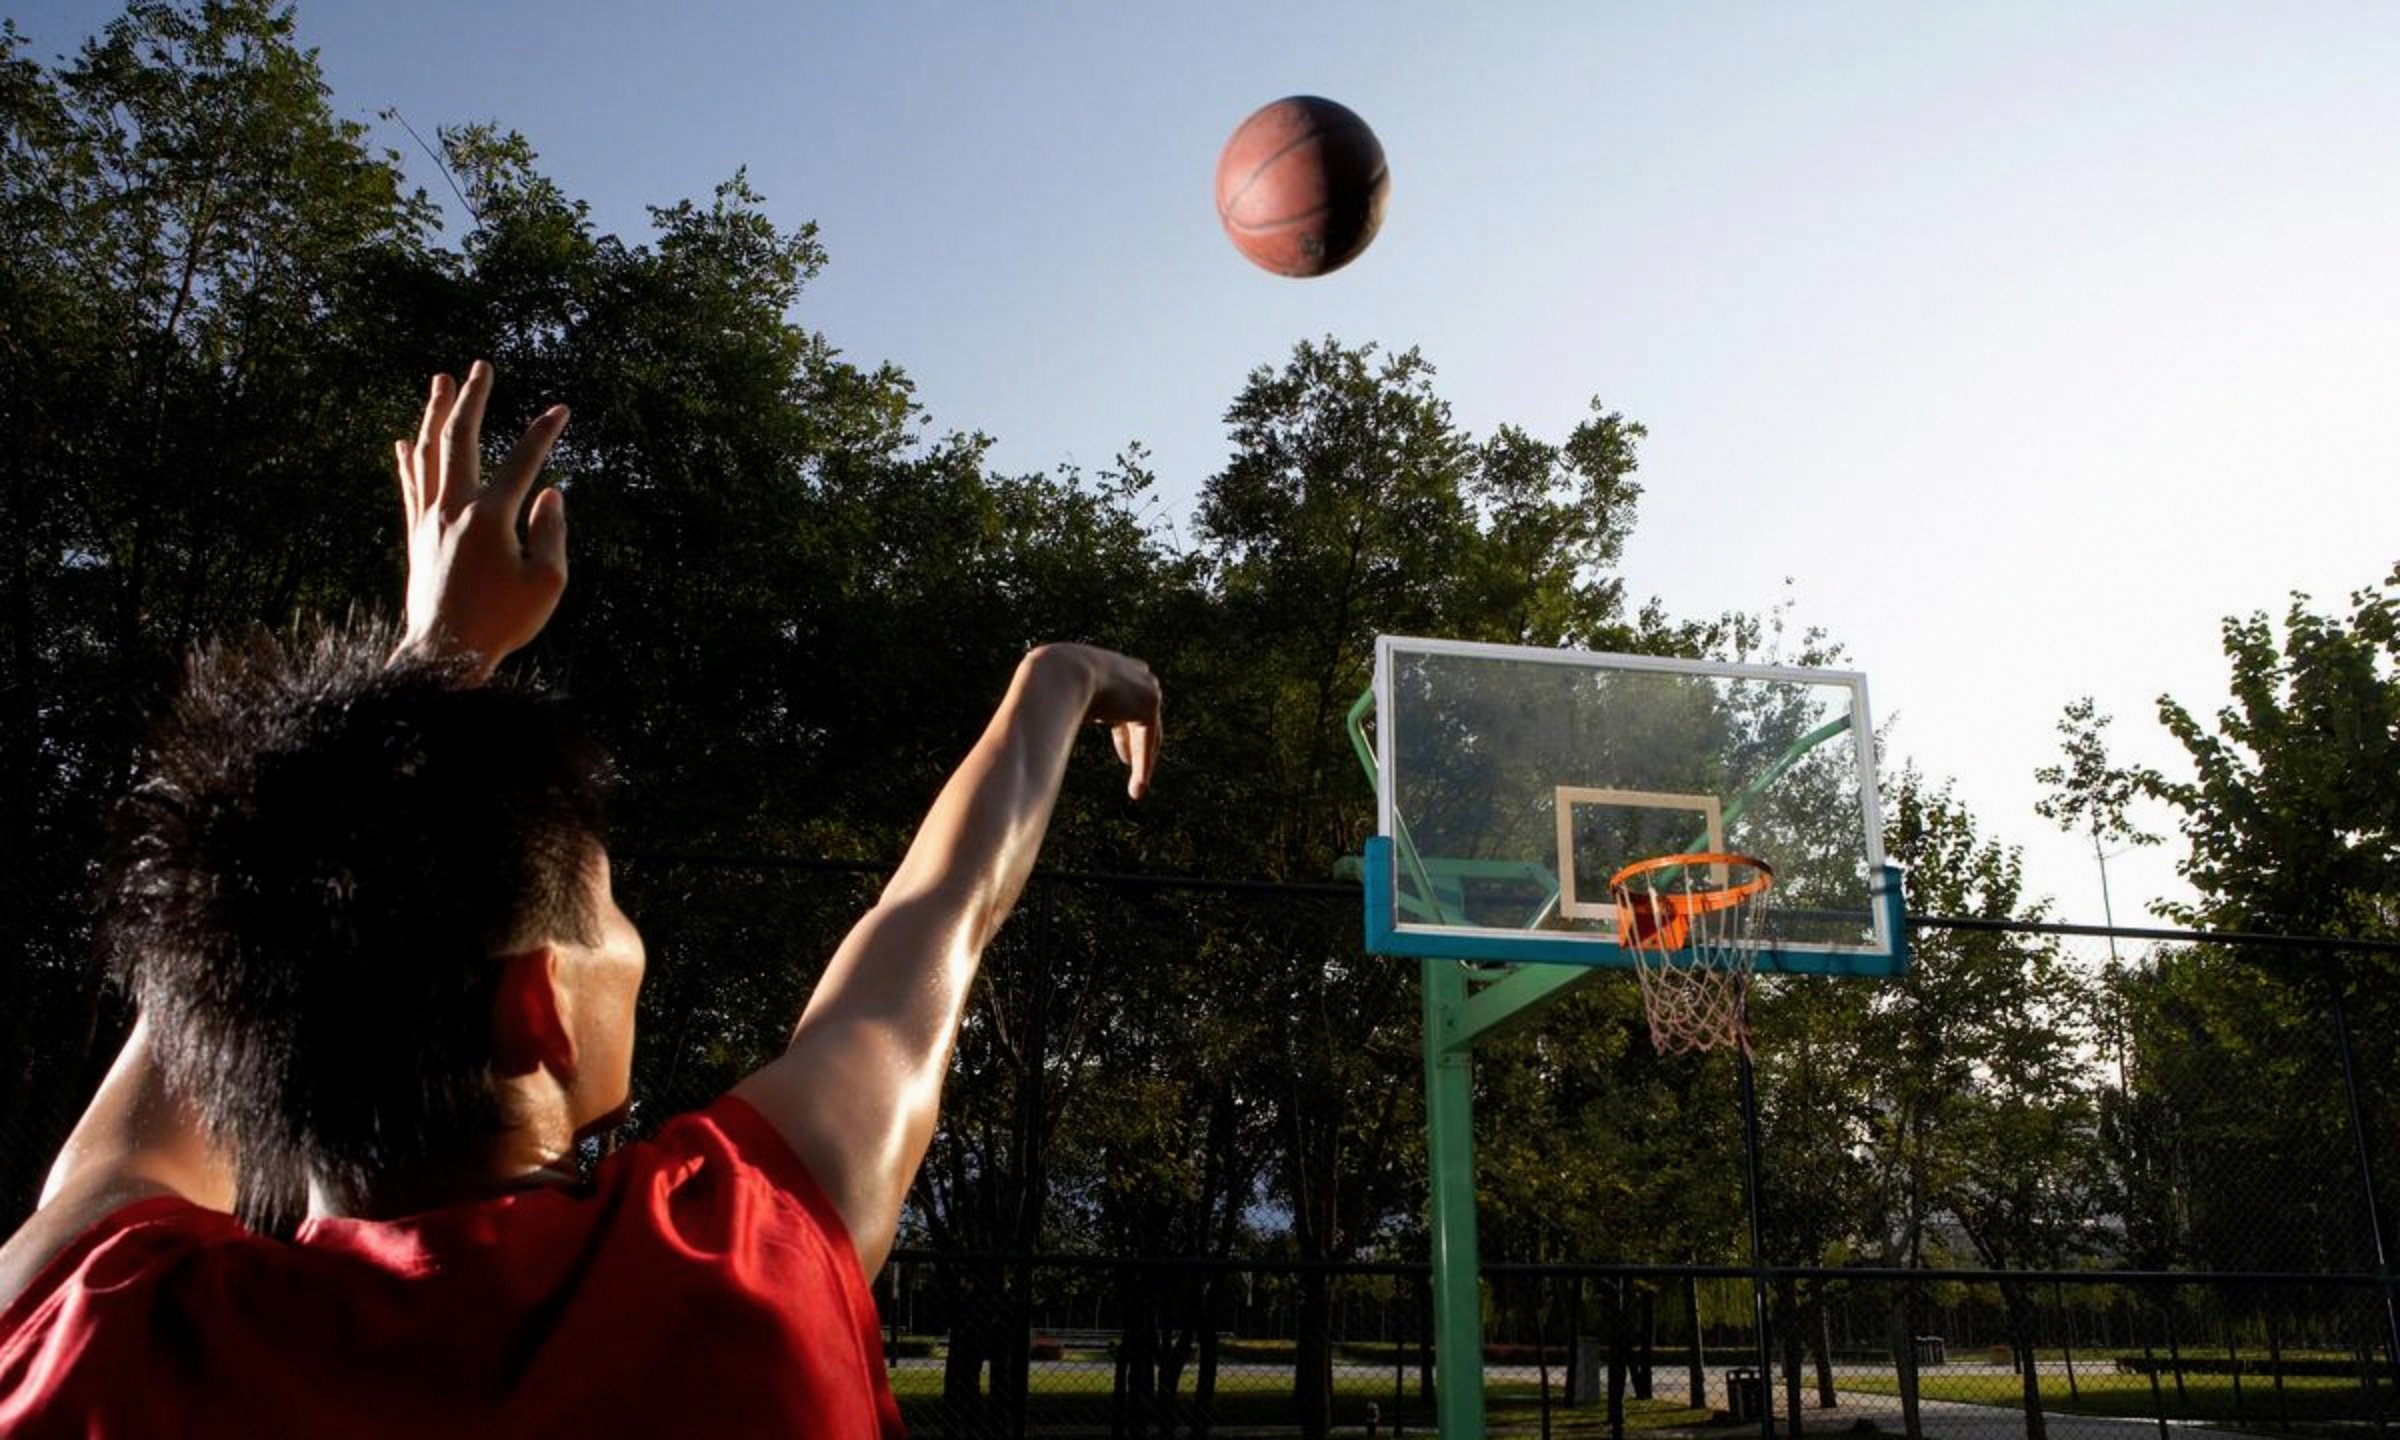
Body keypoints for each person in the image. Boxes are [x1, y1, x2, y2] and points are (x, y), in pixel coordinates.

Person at [0, 362, 1162, 1436]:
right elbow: (942, 915)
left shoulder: (94, 1342)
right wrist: (1059, 681)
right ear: (535, 1011)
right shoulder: (739, 1277)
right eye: (607, 913)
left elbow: (208, 1002)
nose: (627, 940)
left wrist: (431, 664)